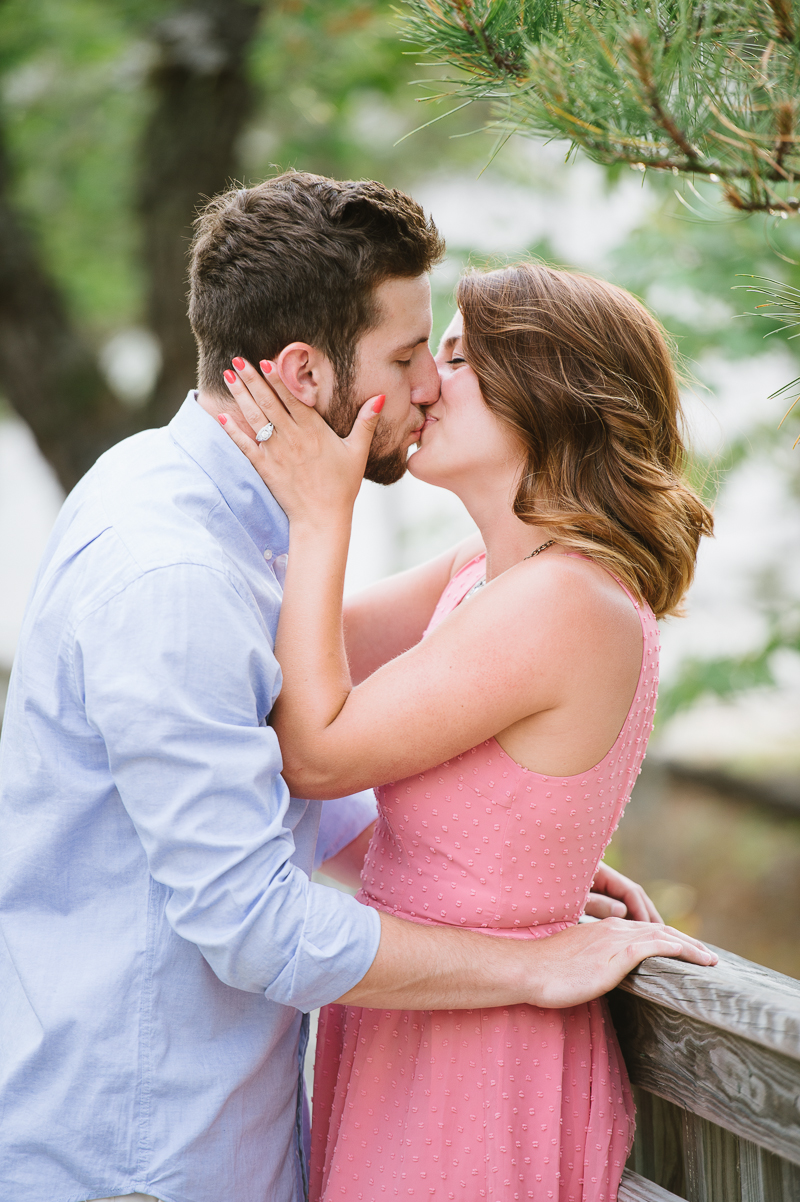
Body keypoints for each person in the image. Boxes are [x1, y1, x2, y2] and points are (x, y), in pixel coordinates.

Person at [0, 173, 711, 1202]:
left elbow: (298, 745)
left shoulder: (177, 499)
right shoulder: (178, 569)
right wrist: (522, 951)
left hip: (275, 1110)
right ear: (301, 371)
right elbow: (268, 874)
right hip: (139, 1153)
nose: (426, 386)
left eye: (449, 357)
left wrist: (503, 866)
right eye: (412, 355)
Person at [218, 258, 716, 1202]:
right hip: (422, 1013)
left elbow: (317, 751)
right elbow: (272, 652)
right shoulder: (481, 576)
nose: (423, 384)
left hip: (483, 1050)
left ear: (547, 389)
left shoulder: (565, 599)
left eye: (455, 355)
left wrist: (326, 514)